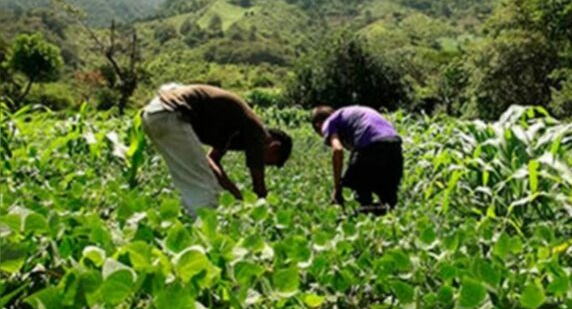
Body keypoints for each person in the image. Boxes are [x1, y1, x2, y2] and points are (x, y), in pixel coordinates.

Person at [141, 83, 292, 216]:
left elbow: (212, 160)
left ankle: (188, 222)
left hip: (155, 114)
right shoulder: (257, 131)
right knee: (204, 188)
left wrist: (235, 194)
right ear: (275, 147)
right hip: (171, 115)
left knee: (191, 182)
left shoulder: (238, 128)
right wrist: (261, 211)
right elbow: (259, 189)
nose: (265, 165)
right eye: (271, 163)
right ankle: (201, 234)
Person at [311, 105, 403, 214]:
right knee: (387, 202)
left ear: (318, 125)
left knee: (350, 191)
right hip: (395, 146)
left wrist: (337, 188)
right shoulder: (349, 114)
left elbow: (338, 150)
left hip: (371, 146)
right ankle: (380, 215)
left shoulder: (329, 122)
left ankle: (355, 219)